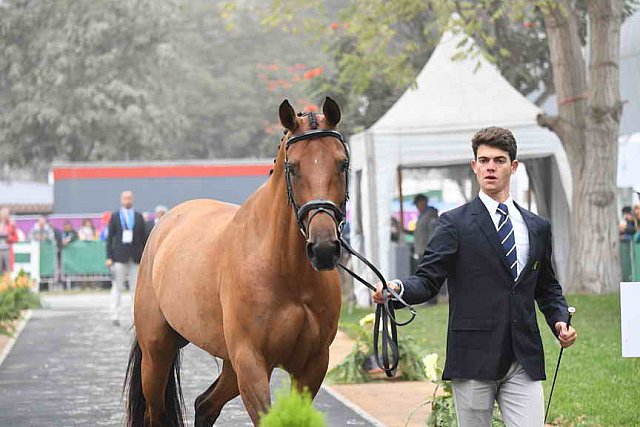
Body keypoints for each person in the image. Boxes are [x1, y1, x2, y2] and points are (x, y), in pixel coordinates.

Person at [373, 127, 577, 427]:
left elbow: (547, 287)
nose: (490, 167)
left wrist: (559, 319)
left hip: (524, 357)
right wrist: (396, 288)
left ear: (514, 166)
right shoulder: (453, 223)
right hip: (472, 356)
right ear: (474, 166)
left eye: (499, 160)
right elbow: (428, 280)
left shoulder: (538, 226)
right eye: (483, 160)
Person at [106, 191, 146, 326]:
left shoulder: (139, 217)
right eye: (125, 198)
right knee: (117, 287)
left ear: (132, 199)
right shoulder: (115, 217)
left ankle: (135, 317)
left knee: (136, 289)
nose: (127, 200)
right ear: (121, 200)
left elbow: (144, 239)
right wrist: (109, 257)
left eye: (129, 198)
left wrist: (144, 257)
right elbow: (110, 238)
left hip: (136, 257)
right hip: (119, 257)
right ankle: (115, 315)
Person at [412, 194, 438, 259]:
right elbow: (420, 232)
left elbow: (432, 233)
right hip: (421, 251)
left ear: (423, 202)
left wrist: (431, 251)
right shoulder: (422, 216)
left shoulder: (430, 215)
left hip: (427, 252)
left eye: (417, 204)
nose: (417, 207)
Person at [0, 208, 18, 273]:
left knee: (8, 270)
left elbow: (16, 238)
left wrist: (10, 238)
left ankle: (7, 282)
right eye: (3, 214)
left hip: (7, 250)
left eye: (6, 214)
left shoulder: (11, 225)